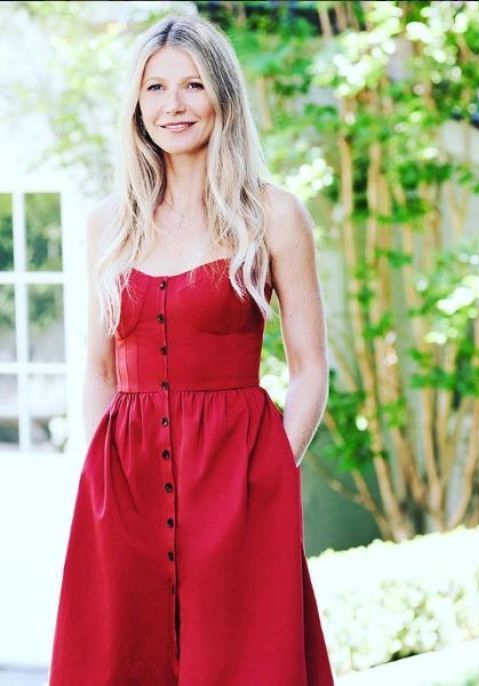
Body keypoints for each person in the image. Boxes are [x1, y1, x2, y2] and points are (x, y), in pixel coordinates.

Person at [48, 12, 334, 685]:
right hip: (125, 486)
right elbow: (98, 368)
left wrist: (271, 470)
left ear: (222, 96)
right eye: (155, 88)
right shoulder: (108, 223)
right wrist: (102, 477)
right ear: (136, 105)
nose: (173, 105)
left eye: (192, 85)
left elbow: (310, 366)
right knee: (123, 660)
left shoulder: (274, 215)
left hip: (238, 483)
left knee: (243, 663)